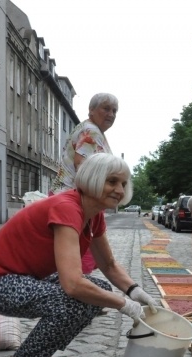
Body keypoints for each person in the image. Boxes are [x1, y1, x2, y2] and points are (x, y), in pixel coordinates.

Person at [0, 153, 159, 357]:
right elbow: (72, 284)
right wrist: (123, 304)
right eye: (112, 181)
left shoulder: (94, 214)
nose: (120, 190)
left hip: (22, 277)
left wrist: (135, 291)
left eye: (123, 183)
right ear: (93, 178)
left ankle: (38, 354)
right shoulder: (67, 208)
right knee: (71, 301)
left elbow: (108, 265)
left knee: (99, 290)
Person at [56, 93, 119, 274]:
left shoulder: (92, 129)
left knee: (84, 255)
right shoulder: (91, 130)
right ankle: (76, 294)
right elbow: (82, 165)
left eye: (115, 111)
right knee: (78, 260)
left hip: (75, 199)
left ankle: (77, 292)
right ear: (91, 110)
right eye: (106, 109)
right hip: (76, 200)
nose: (111, 114)